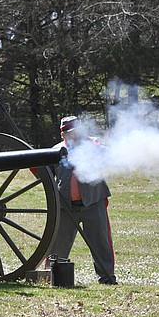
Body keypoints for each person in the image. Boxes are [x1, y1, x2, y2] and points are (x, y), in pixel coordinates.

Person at [47, 115, 117, 285]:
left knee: (101, 242)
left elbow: (110, 156)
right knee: (58, 245)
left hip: (93, 202)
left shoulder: (92, 146)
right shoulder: (55, 151)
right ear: (63, 135)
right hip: (66, 205)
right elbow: (43, 174)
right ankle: (51, 276)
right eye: (69, 133)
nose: (74, 136)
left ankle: (107, 277)